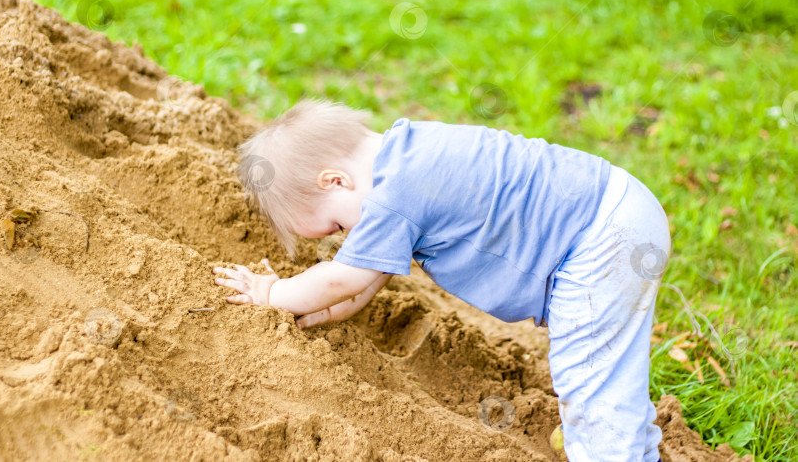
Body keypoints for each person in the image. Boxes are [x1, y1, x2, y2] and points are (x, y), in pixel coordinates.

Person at [213, 98, 671, 461]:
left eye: (336, 226)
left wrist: (272, 293)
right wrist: (309, 311)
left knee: (588, 378)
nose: (349, 236)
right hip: (615, 205)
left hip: (596, 242)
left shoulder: (392, 196)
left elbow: (342, 279)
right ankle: (631, 446)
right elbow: (358, 287)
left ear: (335, 181)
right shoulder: (410, 153)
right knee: (605, 375)